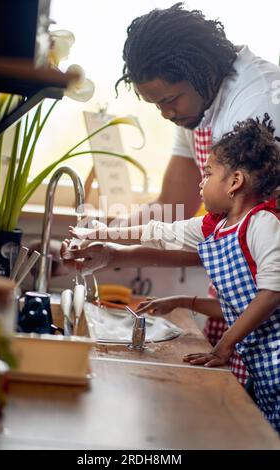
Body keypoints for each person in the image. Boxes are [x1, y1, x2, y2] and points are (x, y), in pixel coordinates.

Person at [65, 2, 280, 385]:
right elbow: (171, 208)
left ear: (203, 72)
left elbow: (236, 242)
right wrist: (108, 244)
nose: (166, 114)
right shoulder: (198, 101)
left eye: (169, 100)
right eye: (156, 104)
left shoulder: (257, 107)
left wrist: (116, 246)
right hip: (239, 305)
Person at [62, 115, 280, 432]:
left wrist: (225, 345)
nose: (201, 182)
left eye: (208, 174)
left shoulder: (263, 224)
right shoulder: (217, 226)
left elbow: (272, 295)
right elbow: (160, 232)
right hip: (264, 370)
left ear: (234, 182)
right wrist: (104, 234)